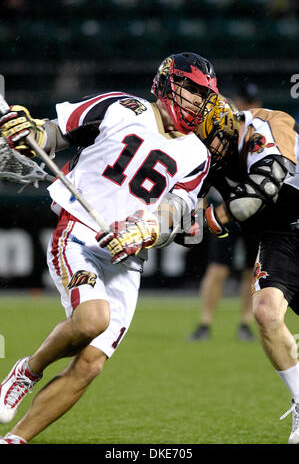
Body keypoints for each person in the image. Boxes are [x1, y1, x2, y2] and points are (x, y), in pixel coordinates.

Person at [0, 52, 221, 444]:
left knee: (89, 365)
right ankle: (28, 370)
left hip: (127, 258)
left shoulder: (197, 155)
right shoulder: (120, 107)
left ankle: (14, 440)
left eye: (201, 96)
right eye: (188, 90)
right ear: (167, 83)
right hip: (81, 233)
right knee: (91, 320)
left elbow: (177, 210)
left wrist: (145, 231)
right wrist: (28, 130)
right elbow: (53, 134)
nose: (193, 102)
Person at [192, 95, 299, 444]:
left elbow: (268, 183)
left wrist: (215, 217)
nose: (212, 153)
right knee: (266, 312)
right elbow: (179, 211)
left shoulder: (263, 125)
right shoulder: (204, 156)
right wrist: (146, 230)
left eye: (213, 141)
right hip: (280, 235)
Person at [189, 84, 262, 342]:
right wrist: (198, 211)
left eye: (252, 102)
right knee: (218, 268)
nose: (249, 106)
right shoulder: (218, 133)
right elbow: (203, 178)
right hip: (224, 212)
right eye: (246, 100)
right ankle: (205, 323)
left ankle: (245, 323)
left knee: (250, 271)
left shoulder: (256, 134)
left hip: (253, 213)